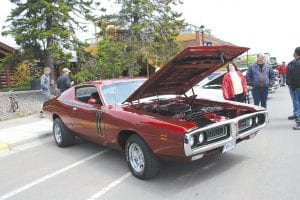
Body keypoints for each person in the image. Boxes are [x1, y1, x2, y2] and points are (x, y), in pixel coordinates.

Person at [287, 47, 300, 130]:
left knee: (298, 103)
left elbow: (295, 75)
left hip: (298, 86)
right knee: (296, 102)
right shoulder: (292, 63)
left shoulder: (296, 63)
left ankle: (299, 121)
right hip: (294, 86)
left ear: (296, 53)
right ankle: (296, 115)